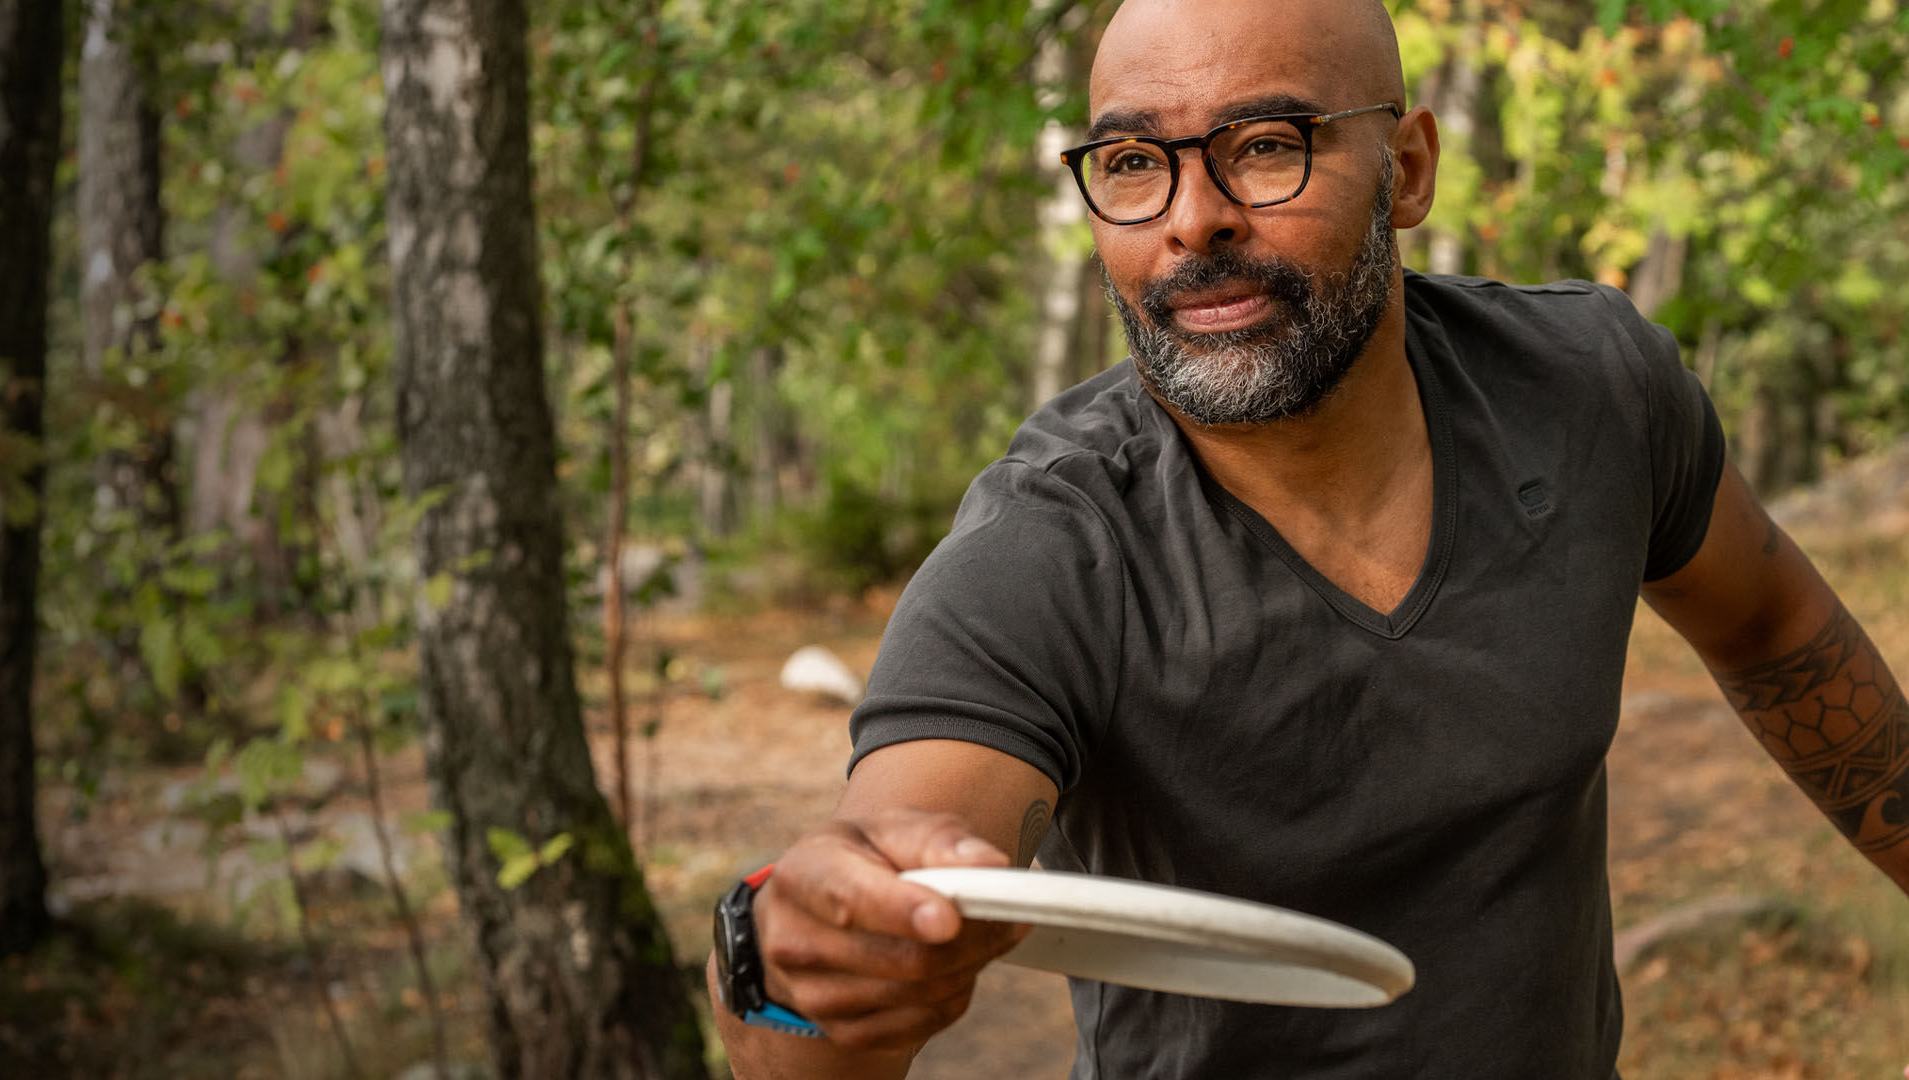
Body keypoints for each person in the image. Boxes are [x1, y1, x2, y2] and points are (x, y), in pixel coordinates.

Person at [708, 0, 1909, 1076]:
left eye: (1266, 147)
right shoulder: (1052, 548)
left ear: (1408, 168)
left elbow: (1772, 624)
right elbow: (863, 914)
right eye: (1132, 163)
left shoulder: (1590, 391)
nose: (1194, 221)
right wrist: (799, 959)